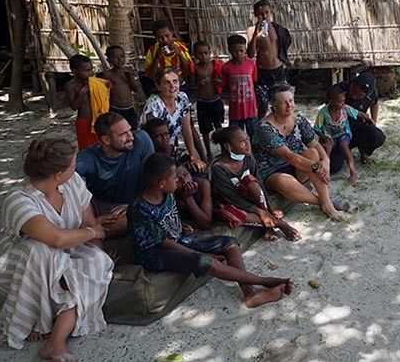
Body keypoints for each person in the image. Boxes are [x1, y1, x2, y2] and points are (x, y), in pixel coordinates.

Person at [0, 137, 112, 361]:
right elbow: (56, 239)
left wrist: (98, 250)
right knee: (41, 249)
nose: (75, 169)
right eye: (72, 165)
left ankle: (54, 337)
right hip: (25, 266)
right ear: (58, 175)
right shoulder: (18, 201)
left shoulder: (72, 182)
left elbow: (88, 221)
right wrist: (94, 233)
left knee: (98, 261)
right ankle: (40, 319)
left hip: (68, 252)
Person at [128, 153, 293, 308]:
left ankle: (250, 294)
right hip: (155, 253)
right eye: (174, 177)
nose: (179, 180)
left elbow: (168, 222)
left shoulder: (167, 193)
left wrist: (179, 228)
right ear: (161, 184)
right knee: (206, 262)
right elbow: (163, 242)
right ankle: (266, 281)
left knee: (230, 244)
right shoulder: (140, 208)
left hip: (177, 239)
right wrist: (196, 254)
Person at [253, 83, 351, 221]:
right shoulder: (265, 128)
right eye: (284, 102)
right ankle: (326, 203)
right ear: (273, 105)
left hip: (298, 166)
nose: (289, 105)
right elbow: (289, 156)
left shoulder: (299, 119)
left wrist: (325, 161)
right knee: (282, 181)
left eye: (291, 100)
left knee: (312, 152)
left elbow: (314, 143)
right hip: (272, 170)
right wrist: (317, 167)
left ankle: (325, 201)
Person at [209, 126, 300, 241]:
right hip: (229, 202)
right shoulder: (219, 167)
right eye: (242, 141)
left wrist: (269, 209)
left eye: (247, 139)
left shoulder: (247, 157)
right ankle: (279, 224)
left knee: (252, 183)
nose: (248, 144)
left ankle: (269, 221)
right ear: (228, 146)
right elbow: (231, 198)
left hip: (249, 199)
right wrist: (260, 212)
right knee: (234, 216)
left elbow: (259, 183)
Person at [76, 112, 155, 239]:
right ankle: (88, 232)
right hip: (99, 206)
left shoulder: (142, 139)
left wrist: (136, 205)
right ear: (106, 139)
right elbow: (66, 181)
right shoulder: (88, 157)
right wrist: (91, 218)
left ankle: (86, 234)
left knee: (132, 219)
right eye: (123, 134)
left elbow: (153, 176)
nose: (131, 137)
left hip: (134, 205)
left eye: (130, 130)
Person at [141, 67, 207, 172]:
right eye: (166, 83)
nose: (172, 86)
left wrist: (193, 157)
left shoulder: (182, 98)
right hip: (154, 152)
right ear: (158, 86)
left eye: (175, 81)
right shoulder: (154, 106)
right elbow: (153, 140)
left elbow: (186, 130)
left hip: (169, 149)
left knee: (198, 171)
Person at [314, 85, 374, 185]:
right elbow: (316, 128)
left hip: (343, 134)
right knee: (327, 147)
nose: (342, 103)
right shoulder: (323, 112)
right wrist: (324, 137)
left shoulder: (345, 109)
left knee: (344, 145)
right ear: (331, 101)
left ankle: (353, 172)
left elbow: (358, 113)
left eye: (343, 101)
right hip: (330, 136)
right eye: (340, 102)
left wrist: (370, 119)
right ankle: (326, 172)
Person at [246, 0, 292, 119]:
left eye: (266, 12)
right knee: (263, 104)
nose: (264, 16)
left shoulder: (278, 29)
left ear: (270, 12)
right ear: (256, 14)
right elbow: (250, 54)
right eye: (261, 14)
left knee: (283, 100)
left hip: (278, 70)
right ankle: (260, 129)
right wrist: (256, 32)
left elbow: (286, 44)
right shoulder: (252, 30)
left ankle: (282, 126)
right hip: (262, 72)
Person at [332, 72, 386, 171]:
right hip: (340, 132)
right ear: (353, 83)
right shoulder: (338, 91)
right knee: (333, 167)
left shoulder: (372, 93)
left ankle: (363, 150)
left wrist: (373, 122)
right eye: (354, 92)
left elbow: (375, 103)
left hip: (359, 127)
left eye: (359, 96)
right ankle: (343, 151)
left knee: (377, 136)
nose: (355, 97)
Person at [65, 54, 110, 151]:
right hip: (84, 122)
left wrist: (106, 87)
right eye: (87, 71)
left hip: (98, 120)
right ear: (75, 72)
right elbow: (74, 106)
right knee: (87, 150)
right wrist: (83, 92)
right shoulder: (70, 85)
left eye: (91, 70)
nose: (90, 73)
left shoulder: (95, 83)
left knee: (102, 148)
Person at [221, 34, 259, 140]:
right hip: (235, 110)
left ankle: (254, 155)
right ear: (229, 50)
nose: (238, 54)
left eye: (241, 51)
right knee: (236, 137)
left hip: (250, 109)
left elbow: (254, 81)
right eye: (235, 51)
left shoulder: (251, 64)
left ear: (245, 49)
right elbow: (224, 84)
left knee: (254, 136)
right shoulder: (226, 67)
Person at [192, 40, 224, 160]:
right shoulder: (195, 68)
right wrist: (199, 83)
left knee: (218, 126)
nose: (203, 56)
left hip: (215, 100)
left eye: (206, 53)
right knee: (205, 130)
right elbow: (192, 84)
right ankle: (209, 153)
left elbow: (224, 81)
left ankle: (223, 149)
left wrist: (219, 82)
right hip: (203, 102)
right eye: (200, 54)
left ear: (210, 52)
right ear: (195, 55)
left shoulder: (216, 65)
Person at [99, 45, 140, 130]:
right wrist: (107, 86)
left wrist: (130, 78)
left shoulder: (128, 72)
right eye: (115, 57)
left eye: (122, 56)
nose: (119, 59)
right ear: (109, 60)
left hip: (130, 108)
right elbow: (102, 92)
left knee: (133, 129)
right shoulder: (107, 74)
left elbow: (135, 89)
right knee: (118, 130)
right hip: (116, 109)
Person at [174, 163, 214, 230]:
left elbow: (206, 224)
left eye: (186, 175)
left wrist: (188, 198)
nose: (184, 181)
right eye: (177, 179)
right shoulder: (169, 195)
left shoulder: (202, 184)